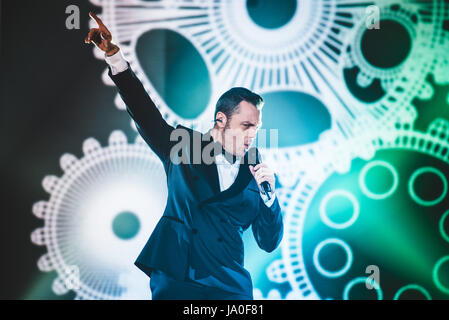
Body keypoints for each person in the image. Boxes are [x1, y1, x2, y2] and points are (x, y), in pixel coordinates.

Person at [85, 12, 283, 300]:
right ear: (221, 120)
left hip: (228, 284)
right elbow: (144, 112)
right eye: (247, 125)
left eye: (257, 127)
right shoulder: (183, 147)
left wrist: (270, 199)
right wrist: (116, 59)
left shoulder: (255, 172)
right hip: (178, 275)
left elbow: (268, 242)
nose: (253, 134)